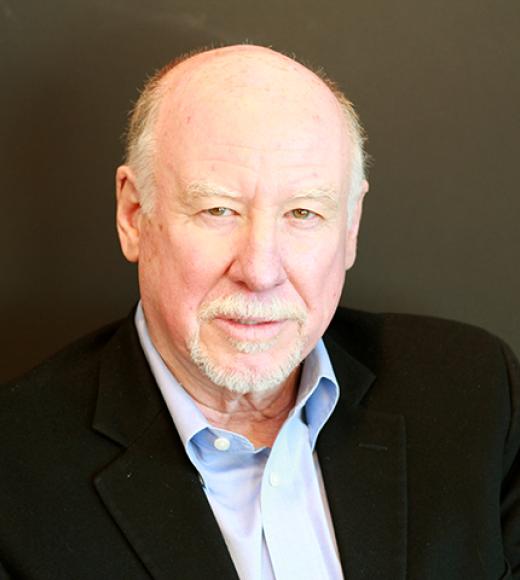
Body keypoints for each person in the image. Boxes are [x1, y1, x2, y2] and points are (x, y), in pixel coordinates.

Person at [1, 44, 519, 580]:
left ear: (350, 227)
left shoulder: (476, 397)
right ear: (134, 215)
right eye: (218, 210)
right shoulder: (14, 478)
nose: (260, 269)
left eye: (303, 212)